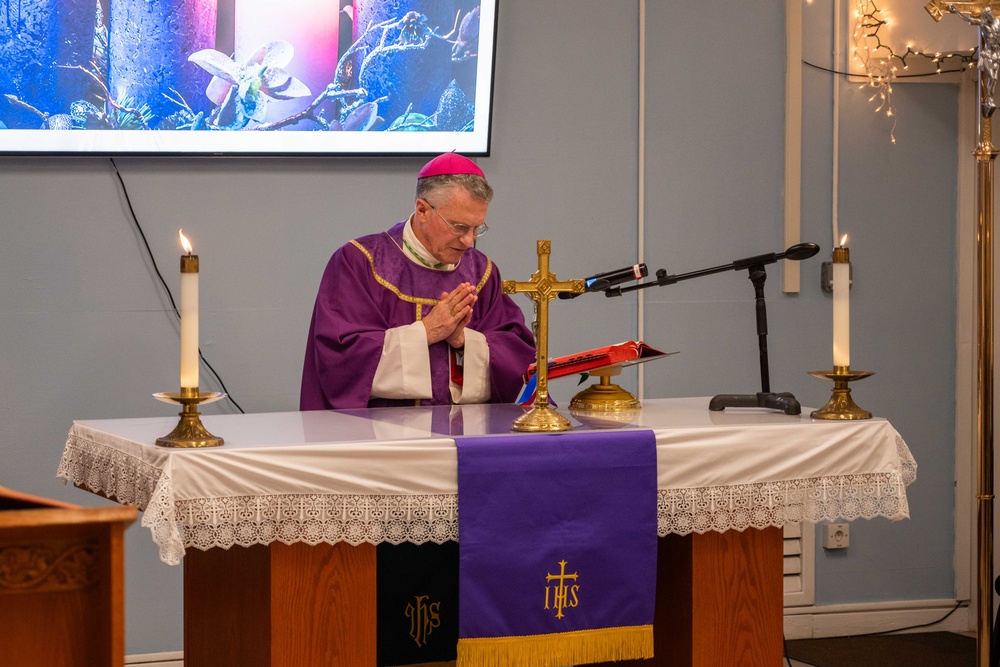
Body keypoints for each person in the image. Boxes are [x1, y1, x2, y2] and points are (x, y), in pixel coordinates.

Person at [300, 152, 536, 410]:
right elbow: (340, 360)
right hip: (378, 436)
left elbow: (515, 358)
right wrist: (428, 331)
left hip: (463, 437)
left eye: (477, 228)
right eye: (459, 227)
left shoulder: (482, 272)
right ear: (422, 210)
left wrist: (463, 342)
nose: (469, 241)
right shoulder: (360, 262)